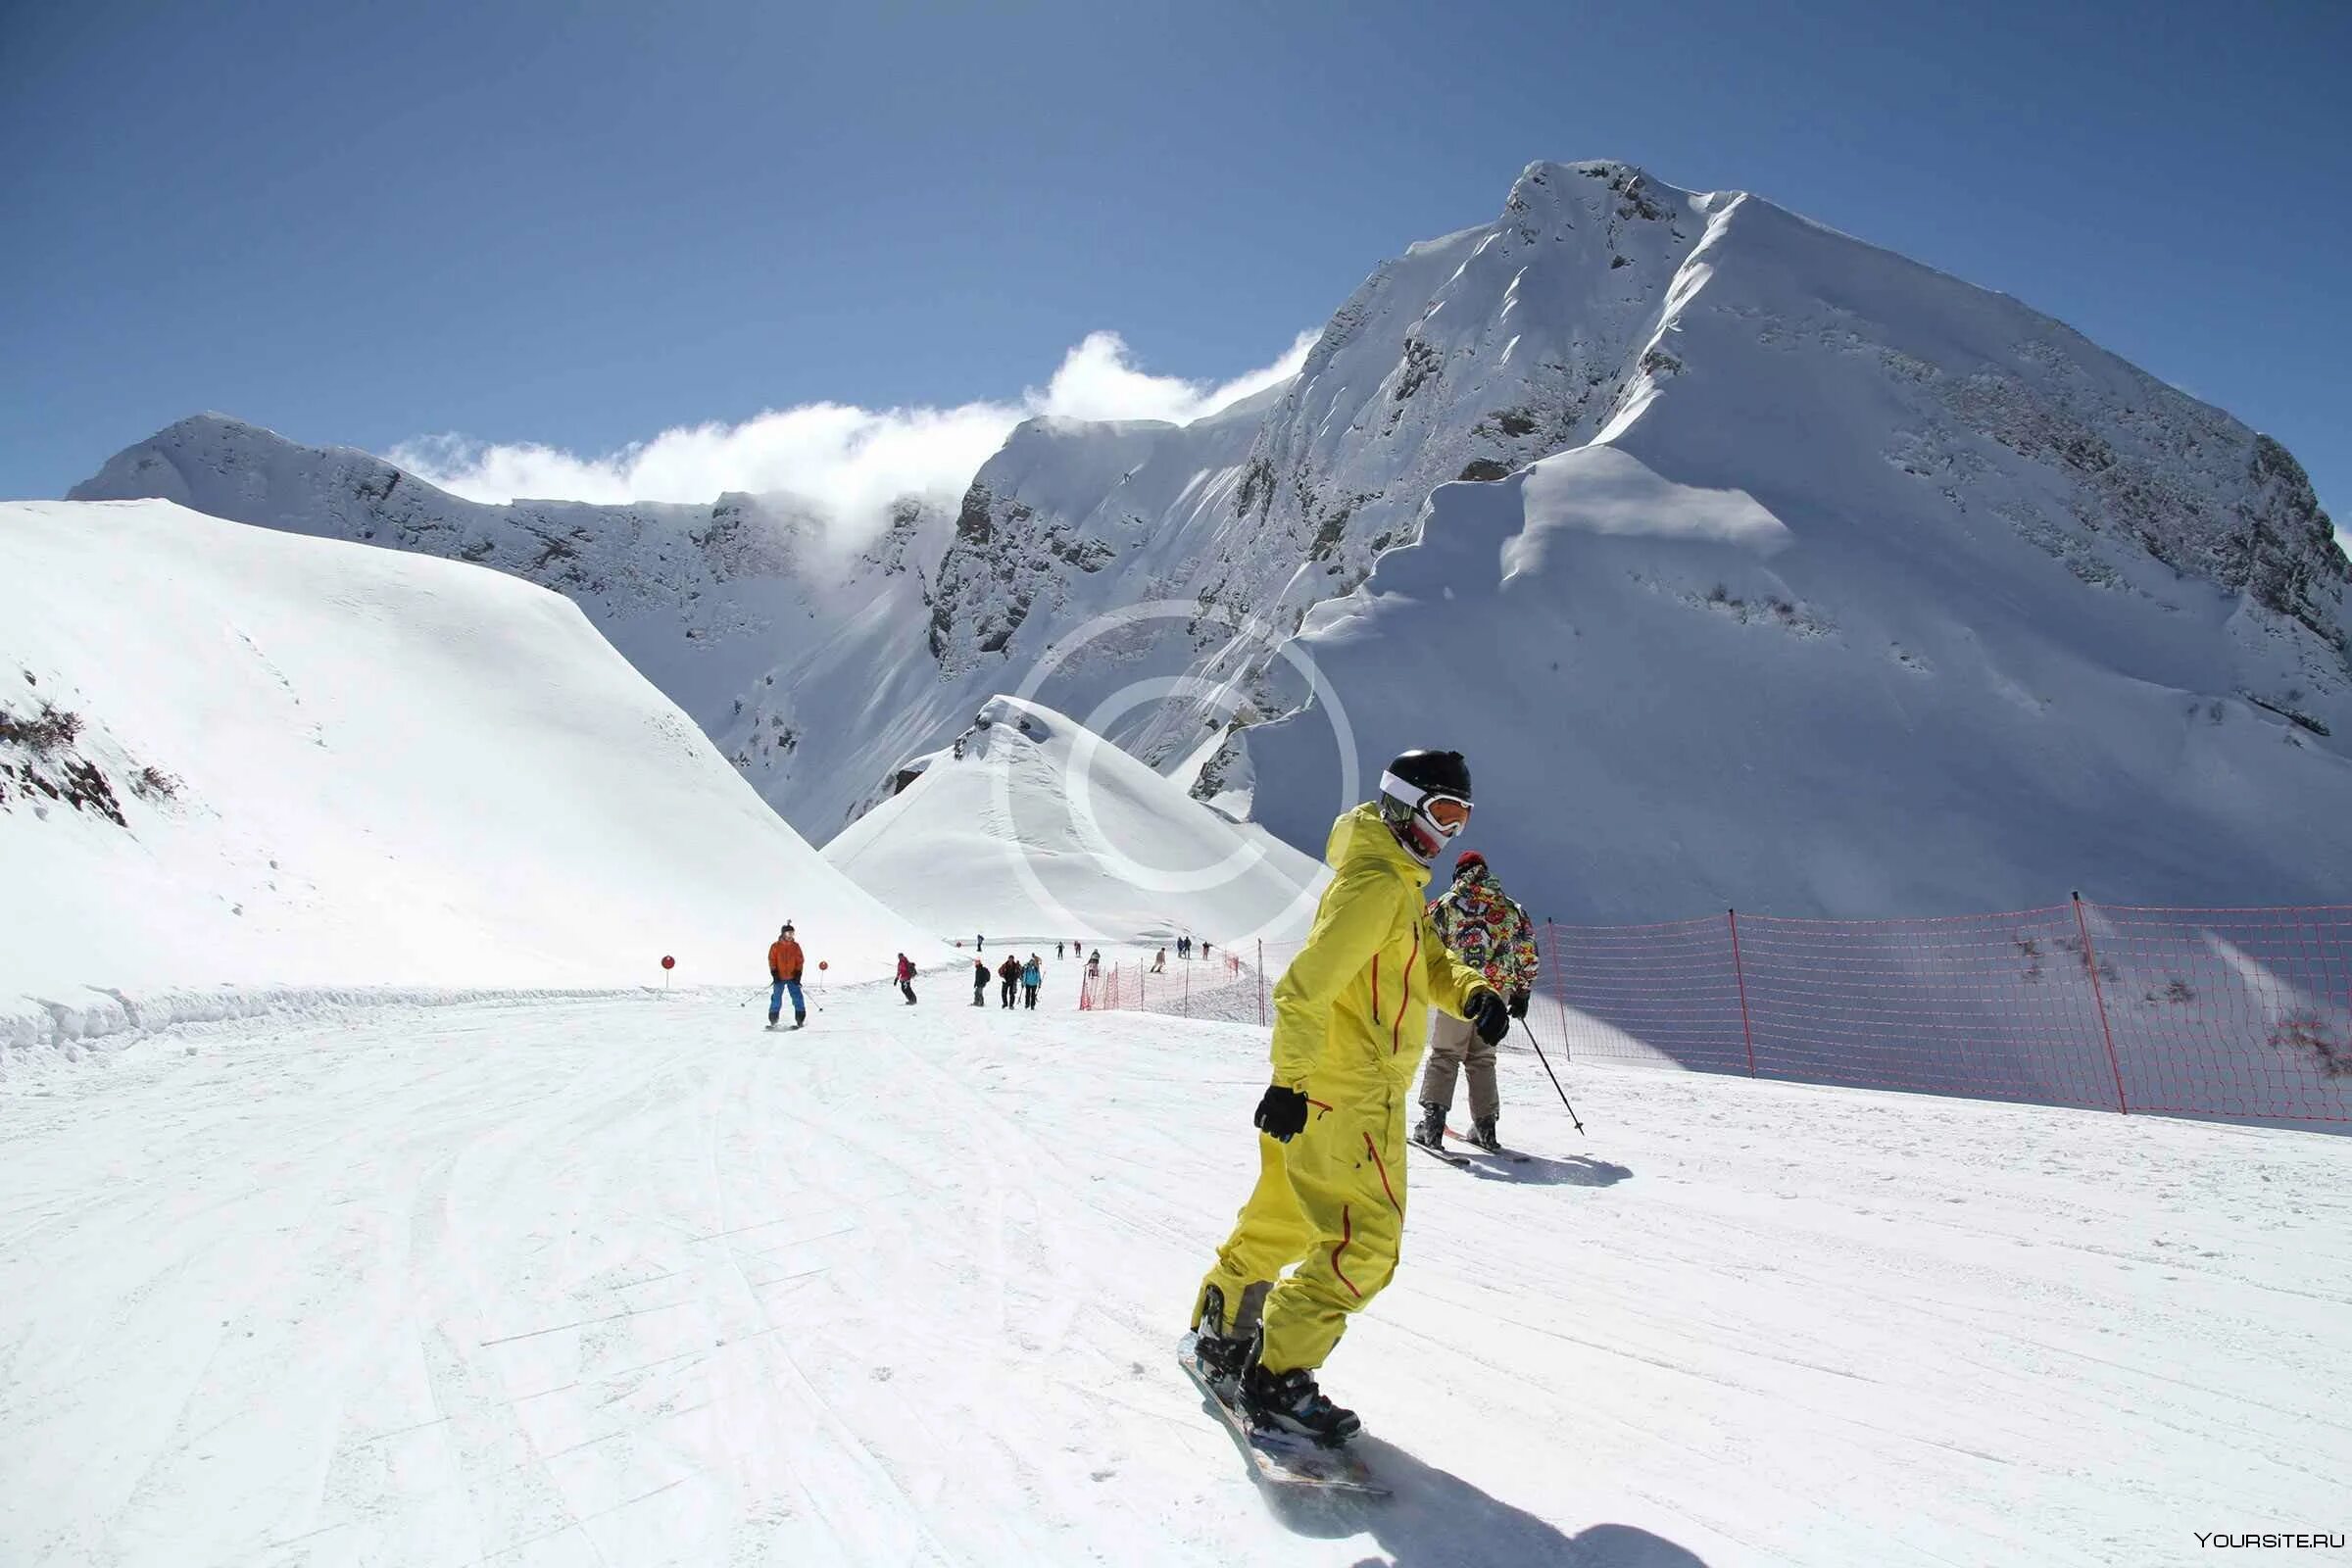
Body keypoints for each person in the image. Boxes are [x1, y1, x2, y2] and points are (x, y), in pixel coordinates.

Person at [1188, 749, 1506, 1446]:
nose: (1447, 833)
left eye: (1461, 819)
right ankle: (1277, 1376)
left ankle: (1221, 1324)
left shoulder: (1391, 879)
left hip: (1325, 1090)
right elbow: (1304, 988)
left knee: (1286, 1218)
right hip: (1350, 1093)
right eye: (1440, 814)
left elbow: (1422, 960)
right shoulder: (1378, 887)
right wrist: (1290, 1084)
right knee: (1365, 1246)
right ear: (1401, 805)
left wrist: (1471, 991)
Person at [1414, 851, 1540, 1153]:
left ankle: (1433, 1124)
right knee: (1483, 1058)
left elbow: (1425, 946)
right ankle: (1485, 1127)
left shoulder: (1446, 905)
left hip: (1460, 992)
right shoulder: (1512, 909)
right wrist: (1522, 992)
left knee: (1446, 1054)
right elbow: (1527, 952)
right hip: (1497, 995)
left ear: (1459, 873)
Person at [766, 922, 806, 1029]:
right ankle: (773, 1021)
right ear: (783, 934)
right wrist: (774, 973)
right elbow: (772, 960)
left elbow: (800, 961)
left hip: (793, 978)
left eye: (792, 934)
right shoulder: (775, 946)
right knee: (776, 999)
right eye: (788, 933)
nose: (790, 936)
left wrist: (798, 974)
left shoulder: (796, 946)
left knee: (798, 998)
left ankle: (800, 1021)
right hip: (779, 978)